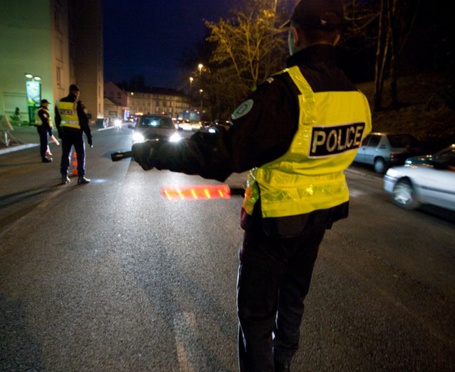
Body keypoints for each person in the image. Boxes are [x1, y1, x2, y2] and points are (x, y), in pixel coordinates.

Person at [130, 0, 372, 370]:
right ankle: (284, 363)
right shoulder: (356, 99)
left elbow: (222, 153)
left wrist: (154, 153)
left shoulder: (285, 93)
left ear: (293, 36)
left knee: (256, 316)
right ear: (337, 38)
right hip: (320, 218)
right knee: (294, 298)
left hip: (275, 223)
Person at [55, 84, 93, 184]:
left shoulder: (59, 103)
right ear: (76, 92)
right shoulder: (77, 104)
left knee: (66, 154)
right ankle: (81, 176)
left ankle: (64, 176)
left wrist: (60, 132)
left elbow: (57, 119)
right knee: (80, 155)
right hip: (77, 133)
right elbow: (84, 122)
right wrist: (89, 137)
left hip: (65, 133)